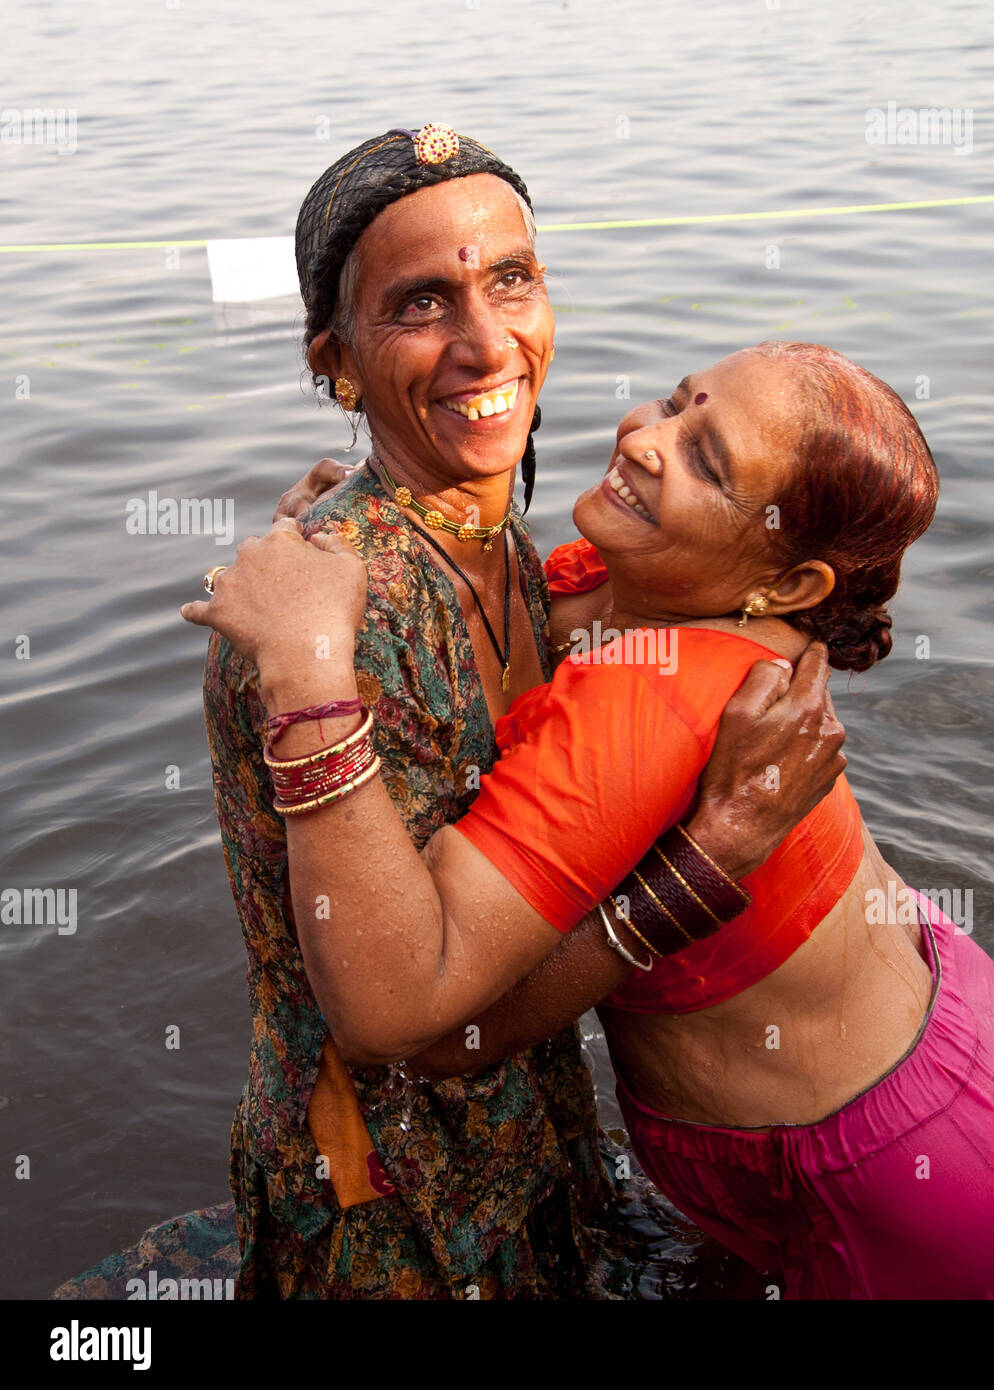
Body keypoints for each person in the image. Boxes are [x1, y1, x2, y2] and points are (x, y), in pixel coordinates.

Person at [184, 340, 994, 1299]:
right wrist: (364, 528)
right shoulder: (657, 596)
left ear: (791, 587)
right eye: (673, 403)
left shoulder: (645, 697)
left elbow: (402, 1017)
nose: (648, 439)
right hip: (939, 1041)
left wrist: (308, 669)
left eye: (707, 461)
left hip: (896, 1177)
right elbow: (507, 601)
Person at [190, 126, 848, 1299]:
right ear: (337, 360)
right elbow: (392, 1025)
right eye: (422, 303)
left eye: (511, 280)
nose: (487, 342)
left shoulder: (510, 547)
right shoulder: (336, 617)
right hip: (384, 1190)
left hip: (526, 1110)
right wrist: (709, 859)